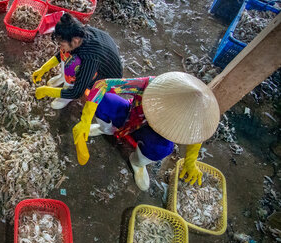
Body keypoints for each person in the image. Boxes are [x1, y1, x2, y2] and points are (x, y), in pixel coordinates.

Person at [72, 72, 220, 191]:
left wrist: (190, 161)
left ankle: (137, 163)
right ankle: (107, 129)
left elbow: (197, 135)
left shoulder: (196, 115)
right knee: (104, 101)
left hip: (154, 136)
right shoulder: (152, 85)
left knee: (163, 149)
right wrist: (85, 120)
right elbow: (102, 85)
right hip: (132, 116)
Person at [33, 13, 123, 109]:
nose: (60, 47)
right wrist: (43, 68)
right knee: (67, 53)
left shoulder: (89, 58)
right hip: (101, 59)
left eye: (62, 44)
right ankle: (63, 77)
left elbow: (77, 92)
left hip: (106, 78)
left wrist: (46, 91)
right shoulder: (80, 34)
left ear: (75, 40)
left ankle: (67, 92)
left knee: (72, 64)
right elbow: (63, 52)